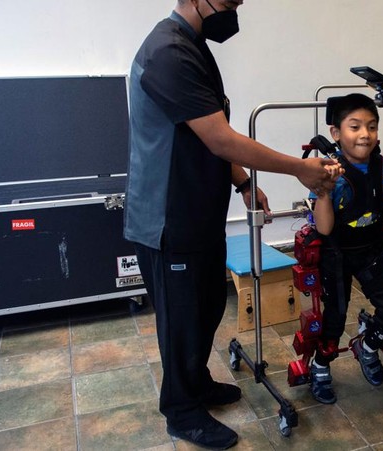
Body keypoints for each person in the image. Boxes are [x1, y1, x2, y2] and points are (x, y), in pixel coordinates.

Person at [124, 1, 340, 448]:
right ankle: (182, 410)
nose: (235, 10)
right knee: (182, 320)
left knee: (206, 308)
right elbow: (221, 138)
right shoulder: (167, 52)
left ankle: (196, 384)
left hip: (198, 213)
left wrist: (241, 182)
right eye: (229, 2)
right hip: (168, 219)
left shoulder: (194, 47)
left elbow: (205, 132)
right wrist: (299, 169)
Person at [307, 93, 383, 404]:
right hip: (336, 253)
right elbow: (325, 229)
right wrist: (325, 192)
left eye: (371, 126)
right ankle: (319, 365)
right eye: (354, 126)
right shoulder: (330, 171)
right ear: (336, 132)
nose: (364, 134)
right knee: (334, 319)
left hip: (371, 249)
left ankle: (367, 347)